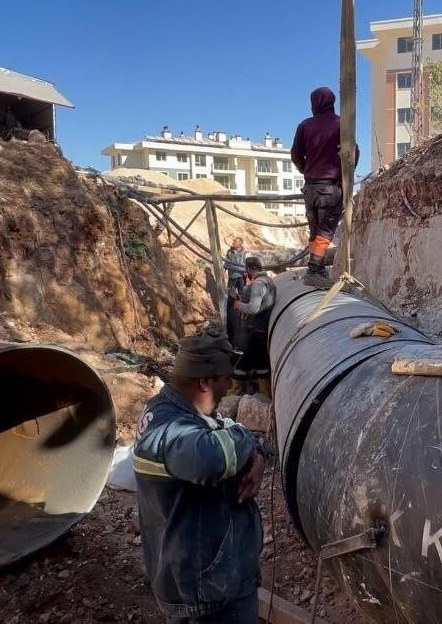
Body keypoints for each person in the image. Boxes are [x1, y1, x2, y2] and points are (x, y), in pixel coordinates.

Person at [134, 329, 266, 623]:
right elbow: (212, 458)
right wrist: (246, 438)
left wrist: (256, 456)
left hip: (209, 575)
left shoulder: (179, 410)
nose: (229, 387)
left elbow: (225, 430)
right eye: (225, 379)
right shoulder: (170, 429)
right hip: (206, 592)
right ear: (204, 382)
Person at [290, 87, 359, 289]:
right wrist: (345, 174)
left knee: (315, 231)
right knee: (325, 232)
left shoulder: (304, 126)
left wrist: (306, 169)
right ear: (332, 102)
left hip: (310, 188)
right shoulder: (340, 124)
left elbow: (295, 154)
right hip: (330, 188)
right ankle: (314, 271)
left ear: (314, 104)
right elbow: (353, 152)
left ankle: (317, 269)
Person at [230, 257, 276, 396]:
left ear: (249, 269)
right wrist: (239, 297)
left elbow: (253, 308)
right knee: (261, 361)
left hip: (255, 330)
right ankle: (265, 393)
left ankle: (235, 392)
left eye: (246, 270)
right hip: (263, 329)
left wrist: (237, 304)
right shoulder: (269, 281)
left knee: (244, 361)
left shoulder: (258, 284)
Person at [223, 238, 247, 344]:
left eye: (235, 242)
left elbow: (245, 265)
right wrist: (226, 269)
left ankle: (241, 312)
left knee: (241, 295)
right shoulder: (229, 251)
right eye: (233, 241)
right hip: (232, 276)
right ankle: (230, 311)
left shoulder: (244, 253)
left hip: (240, 277)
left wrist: (244, 272)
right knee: (230, 296)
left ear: (240, 243)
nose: (233, 243)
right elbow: (226, 264)